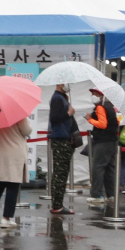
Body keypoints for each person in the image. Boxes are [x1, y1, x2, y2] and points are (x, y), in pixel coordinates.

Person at [0, 118, 33, 227]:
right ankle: (6, 218)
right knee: (12, 186)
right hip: (13, 152)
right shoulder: (17, 114)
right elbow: (27, 131)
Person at [47, 84, 77, 215]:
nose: (67, 85)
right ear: (59, 83)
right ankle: (57, 205)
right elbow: (54, 118)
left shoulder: (62, 98)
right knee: (60, 173)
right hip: (61, 140)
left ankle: (57, 203)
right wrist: (68, 114)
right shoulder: (57, 99)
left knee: (62, 173)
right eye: (65, 82)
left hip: (64, 139)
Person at [86, 89, 119, 205]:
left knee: (98, 168)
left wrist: (90, 119)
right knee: (110, 169)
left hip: (103, 141)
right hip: (112, 141)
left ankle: (96, 195)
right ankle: (111, 195)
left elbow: (102, 124)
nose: (92, 96)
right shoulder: (110, 107)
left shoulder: (101, 107)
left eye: (94, 94)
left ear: (101, 95)